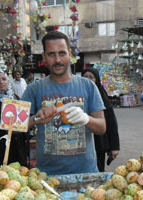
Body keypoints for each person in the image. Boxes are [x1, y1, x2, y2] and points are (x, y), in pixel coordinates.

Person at [21, 31, 106, 175]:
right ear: (44, 56)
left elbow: (102, 127)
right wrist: (36, 119)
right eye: (51, 54)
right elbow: (14, 126)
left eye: (62, 53)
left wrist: (85, 119)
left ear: (70, 54)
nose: (57, 60)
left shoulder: (88, 86)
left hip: (85, 173)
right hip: (47, 176)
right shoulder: (34, 89)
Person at [82, 67, 120, 172]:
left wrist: (114, 146)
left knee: (98, 171)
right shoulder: (77, 95)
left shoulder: (102, 97)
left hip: (99, 142)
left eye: (91, 77)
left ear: (97, 80)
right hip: (81, 144)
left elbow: (111, 122)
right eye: (85, 77)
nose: (88, 80)